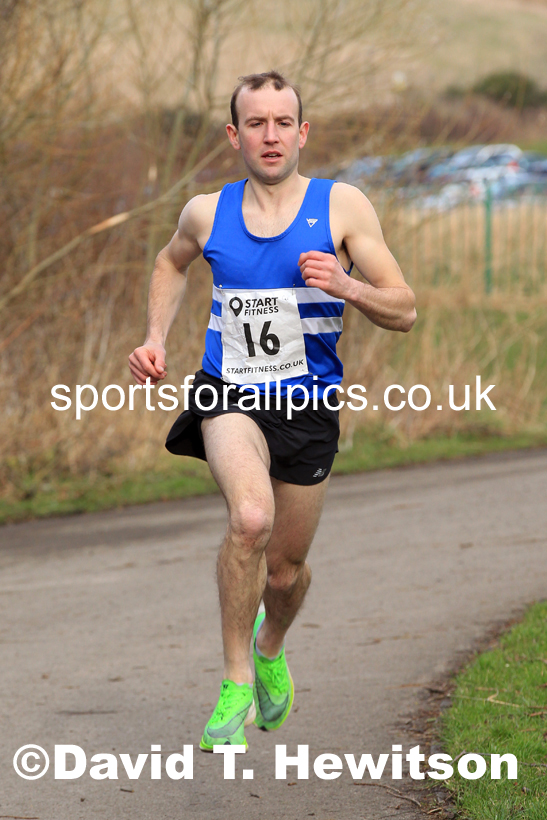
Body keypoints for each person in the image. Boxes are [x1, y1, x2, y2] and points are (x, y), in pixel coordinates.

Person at [128, 70, 416, 751]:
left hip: (308, 406)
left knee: (284, 570)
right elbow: (171, 264)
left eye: (282, 122)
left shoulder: (342, 206)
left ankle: (270, 645)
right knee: (249, 520)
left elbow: (403, 308)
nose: (270, 134)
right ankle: (232, 681)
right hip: (228, 393)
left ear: (301, 132)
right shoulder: (205, 212)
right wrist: (153, 337)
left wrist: (346, 284)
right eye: (254, 123)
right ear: (234, 135)